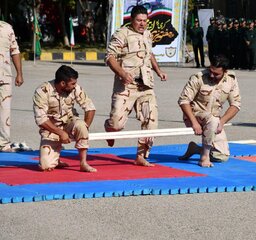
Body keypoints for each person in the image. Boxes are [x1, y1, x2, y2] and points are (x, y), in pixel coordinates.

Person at [104, 5, 167, 167]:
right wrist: (122, 73)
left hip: (146, 85)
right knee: (117, 124)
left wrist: (158, 71)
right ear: (131, 20)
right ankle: (110, 129)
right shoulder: (121, 34)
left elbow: (149, 54)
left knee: (151, 121)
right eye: (139, 20)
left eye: (145, 21)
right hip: (126, 86)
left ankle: (141, 156)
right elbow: (110, 57)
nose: (142, 24)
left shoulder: (147, 34)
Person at [178, 55, 241, 167]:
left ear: (225, 71)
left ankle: (195, 149)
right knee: (211, 119)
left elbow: (236, 104)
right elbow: (184, 101)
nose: (212, 75)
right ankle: (204, 158)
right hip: (195, 114)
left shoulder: (231, 80)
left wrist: (222, 122)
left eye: (216, 74)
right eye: (211, 71)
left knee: (221, 156)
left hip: (214, 119)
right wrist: (194, 122)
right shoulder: (198, 78)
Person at [33, 65, 97, 172]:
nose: (74, 86)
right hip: (51, 128)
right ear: (63, 83)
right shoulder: (42, 91)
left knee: (81, 125)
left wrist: (85, 128)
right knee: (45, 166)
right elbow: (41, 119)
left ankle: (83, 163)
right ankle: (55, 159)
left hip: (69, 122)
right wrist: (60, 133)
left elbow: (90, 108)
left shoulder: (75, 88)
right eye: (72, 83)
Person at [0, 21, 24, 152]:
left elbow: (15, 51)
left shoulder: (7, 27)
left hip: (4, 77)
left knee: (5, 111)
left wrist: (19, 73)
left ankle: (3, 143)